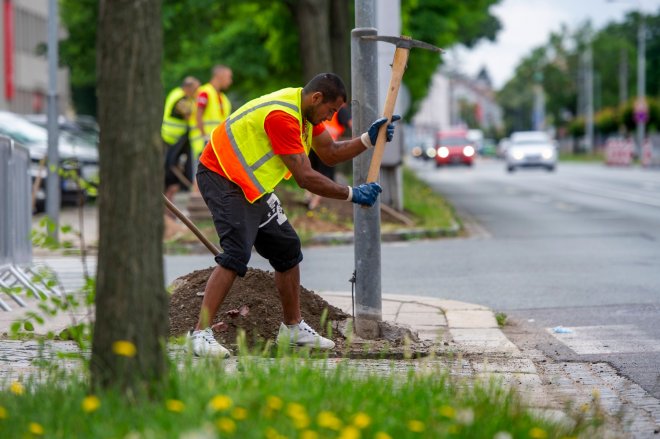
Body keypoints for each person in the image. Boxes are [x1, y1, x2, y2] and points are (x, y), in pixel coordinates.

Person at [188, 73, 400, 357]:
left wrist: (366, 140)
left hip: (252, 185)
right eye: (330, 111)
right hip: (222, 176)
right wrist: (352, 194)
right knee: (236, 252)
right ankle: (200, 333)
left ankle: (292, 329)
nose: (330, 117)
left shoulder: (306, 116)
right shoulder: (283, 117)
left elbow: (330, 153)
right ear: (317, 98)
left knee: (287, 249)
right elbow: (305, 177)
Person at [306, 103, 352, 209]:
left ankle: (309, 197)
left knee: (311, 170)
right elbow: (351, 124)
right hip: (327, 146)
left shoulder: (325, 104)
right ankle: (313, 203)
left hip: (314, 141)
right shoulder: (341, 109)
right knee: (323, 175)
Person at [162, 76, 200, 205]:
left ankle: (169, 203)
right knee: (171, 169)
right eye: (195, 89)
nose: (197, 93)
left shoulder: (178, 94)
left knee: (173, 169)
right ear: (188, 87)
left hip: (174, 137)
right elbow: (190, 115)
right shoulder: (181, 98)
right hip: (173, 138)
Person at [188, 65, 233, 166]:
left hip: (215, 145)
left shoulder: (224, 98)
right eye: (229, 77)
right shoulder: (205, 92)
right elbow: (198, 115)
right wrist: (204, 136)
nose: (230, 81)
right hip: (202, 143)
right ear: (219, 76)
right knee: (199, 177)